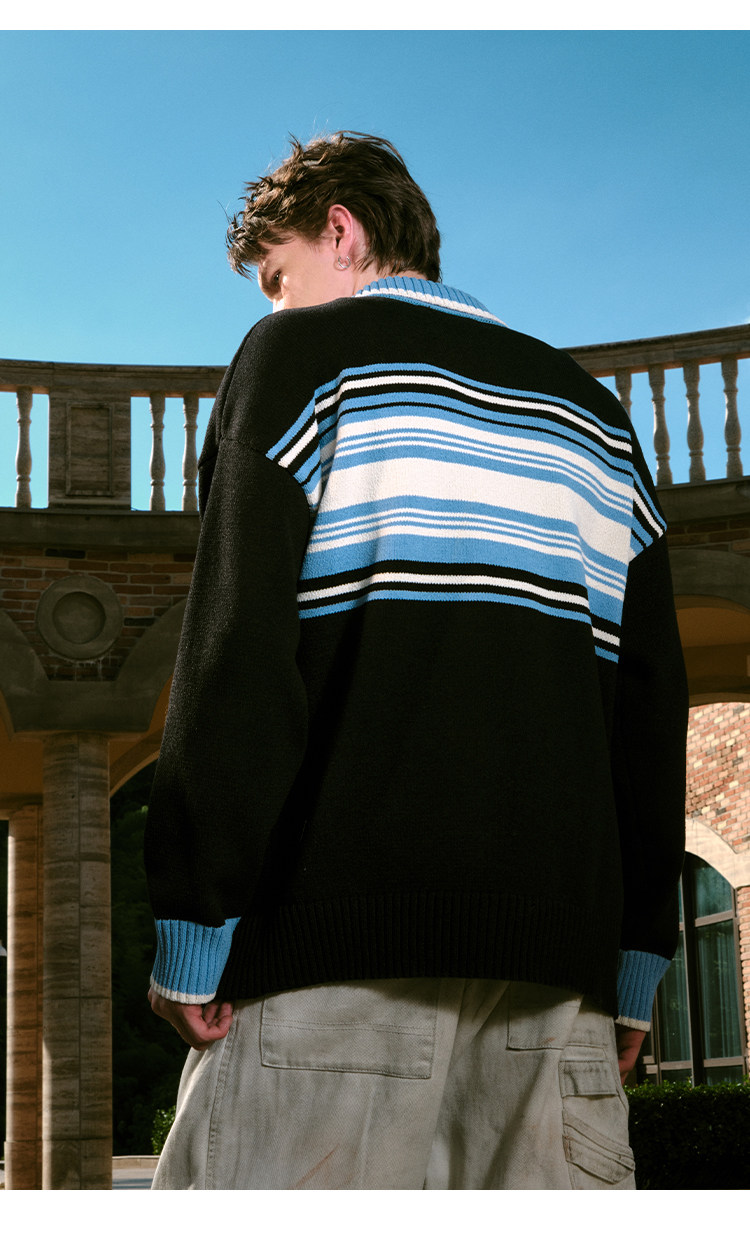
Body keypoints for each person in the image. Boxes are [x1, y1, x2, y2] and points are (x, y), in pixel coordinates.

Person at [144, 131, 688, 1189]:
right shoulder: (599, 422)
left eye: (276, 276)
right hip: (557, 995)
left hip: (327, 975)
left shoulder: (299, 359)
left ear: (341, 230)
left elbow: (238, 656)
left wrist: (195, 925)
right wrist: (636, 962)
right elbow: (649, 705)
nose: (272, 306)